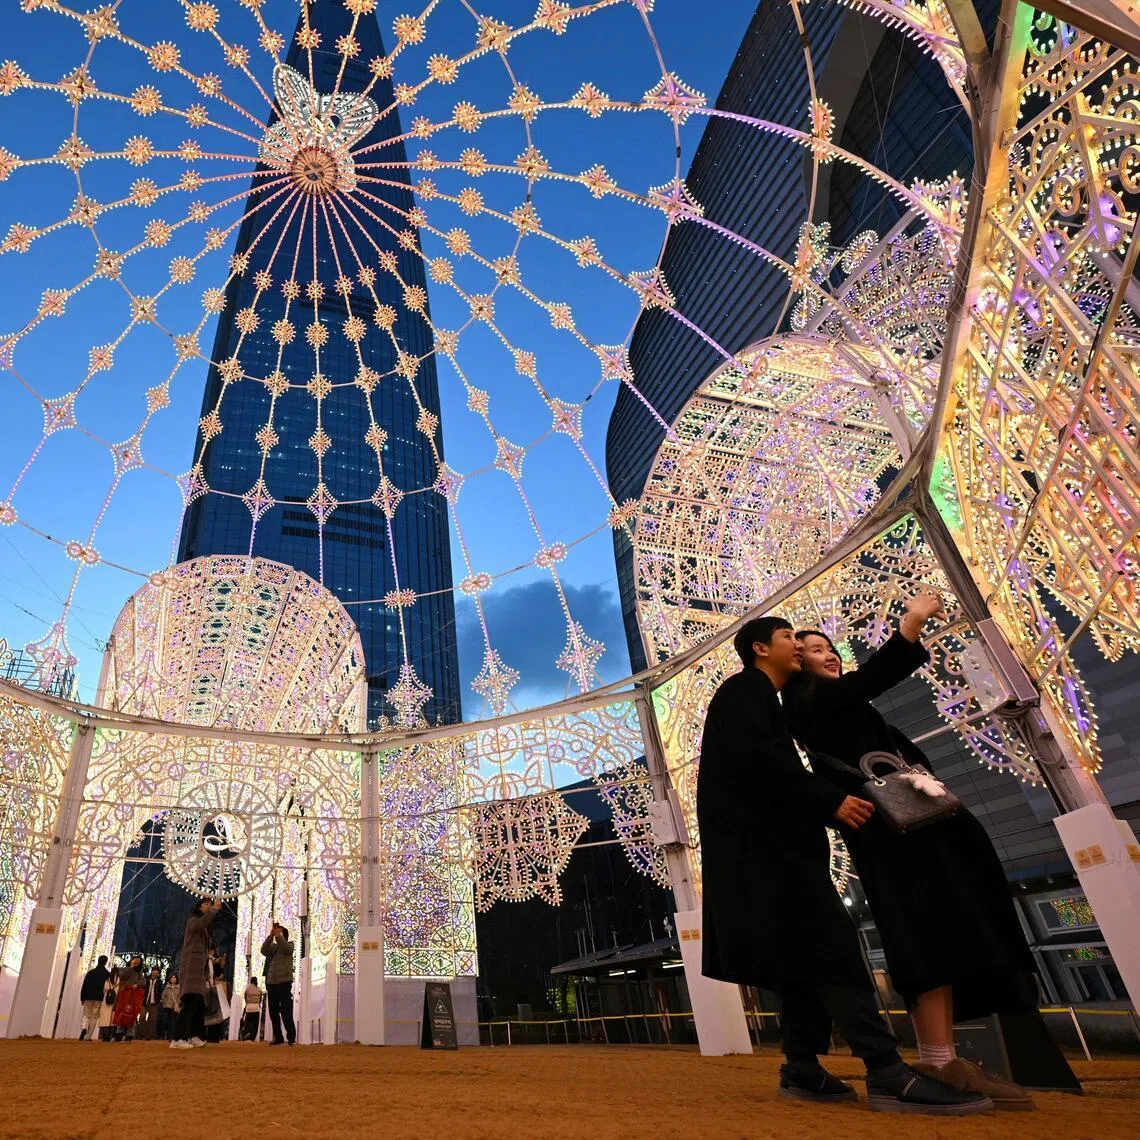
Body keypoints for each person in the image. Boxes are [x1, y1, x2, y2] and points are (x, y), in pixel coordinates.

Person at [696, 615, 989, 1114]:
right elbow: (759, 759)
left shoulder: (763, 699)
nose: (797, 645)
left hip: (770, 852)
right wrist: (827, 799)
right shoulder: (744, 690)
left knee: (799, 958)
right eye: (788, 638)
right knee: (833, 947)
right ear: (760, 649)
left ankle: (802, 1068)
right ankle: (885, 1070)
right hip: (770, 854)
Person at [784, 589, 1048, 1109]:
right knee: (923, 928)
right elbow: (871, 678)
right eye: (814, 650)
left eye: (829, 647)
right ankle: (936, 1060)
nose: (828, 653)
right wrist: (911, 623)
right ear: (797, 667)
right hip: (892, 834)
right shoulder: (805, 703)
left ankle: (943, 1059)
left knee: (946, 925)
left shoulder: (848, 708)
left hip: (921, 826)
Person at [170, 898, 222, 1050]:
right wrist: (214, 910)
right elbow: (200, 924)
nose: (208, 907)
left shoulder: (204, 928)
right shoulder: (192, 920)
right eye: (206, 904)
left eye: (210, 905)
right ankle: (178, 1038)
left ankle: (195, 1035)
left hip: (199, 971)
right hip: (191, 969)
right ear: (198, 907)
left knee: (199, 1005)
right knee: (190, 1002)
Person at [261, 923, 296, 1046]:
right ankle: (278, 1037)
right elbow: (263, 950)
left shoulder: (289, 945)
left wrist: (279, 936)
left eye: (279, 932)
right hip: (272, 983)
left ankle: (291, 1037)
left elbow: (286, 948)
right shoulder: (274, 948)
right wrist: (270, 936)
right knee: (273, 1012)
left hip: (284, 982)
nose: (277, 934)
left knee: (286, 1010)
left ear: (283, 935)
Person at [111, 956, 145, 1041]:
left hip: (133, 996)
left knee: (131, 1013)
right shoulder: (125, 969)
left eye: (138, 961)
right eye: (135, 960)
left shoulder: (139, 973)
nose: (136, 962)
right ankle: (119, 1032)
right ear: (131, 960)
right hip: (123, 994)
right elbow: (122, 976)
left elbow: (143, 982)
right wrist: (131, 967)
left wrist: (137, 984)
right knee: (121, 1012)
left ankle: (130, 1033)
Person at [79, 954, 110, 1041]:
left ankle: (83, 1028)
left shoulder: (90, 973)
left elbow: (84, 985)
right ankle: (88, 1036)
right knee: (94, 1017)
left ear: (98, 961)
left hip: (88, 996)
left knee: (86, 1014)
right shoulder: (107, 974)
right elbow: (107, 987)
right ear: (105, 962)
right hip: (99, 997)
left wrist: (82, 997)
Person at [136, 965, 164, 1041]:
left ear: (158, 973)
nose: (155, 972)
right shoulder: (146, 979)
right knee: (142, 1017)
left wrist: (158, 1000)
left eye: (157, 971)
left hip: (154, 1003)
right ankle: (141, 1034)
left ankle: (148, 1035)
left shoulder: (159, 982)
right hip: (144, 1002)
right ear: (151, 971)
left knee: (152, 1019)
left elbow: (160, 992)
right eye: (154, 970)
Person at [97, 967, 119, 1041]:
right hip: (115, 1000)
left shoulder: (108, 980)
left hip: (106, 1000)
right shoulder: (119, 980)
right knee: (112, 1019)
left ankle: (104, 1036)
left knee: (104, 1019)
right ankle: (110, 1036)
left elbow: (104, 989)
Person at [158, 972, 181, 1041]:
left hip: (175, 1007)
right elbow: (163, 996)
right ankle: (167, 1035)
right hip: (167, 1007)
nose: (173, 979)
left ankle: (173, 1036)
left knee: (174, 1022)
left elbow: (180, 997)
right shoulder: (167, 987)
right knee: (167, 1021)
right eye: (172, 977)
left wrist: (178, 1003)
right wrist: (165, 1003)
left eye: (174, 977)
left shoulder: (179, 987)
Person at [240, 976, 264, 1042]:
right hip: (256, 1008)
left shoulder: (247, 989)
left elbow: (245, 998)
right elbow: (260, 999)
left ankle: (247, 1037)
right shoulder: (259, 989)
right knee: (255, 1024)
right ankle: (252, 1037)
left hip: (249, 1008)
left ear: (250, 981)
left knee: (247, 1023)